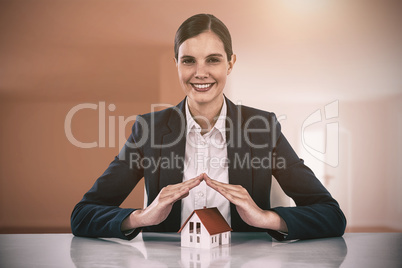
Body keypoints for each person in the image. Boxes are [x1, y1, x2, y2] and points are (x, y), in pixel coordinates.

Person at [71, 14, 346, 241]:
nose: (200, 72)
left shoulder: (262, 129)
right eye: (188, 60)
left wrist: (266, 217)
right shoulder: (148, 130)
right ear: (176, 64)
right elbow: (82, 214)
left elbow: (330, 215)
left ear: (230, 63)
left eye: (213, 59)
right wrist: (142, 216)